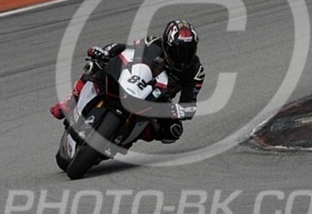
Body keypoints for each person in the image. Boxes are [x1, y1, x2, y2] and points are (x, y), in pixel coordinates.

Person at [50, 20, 205, 144]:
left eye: (189, 51)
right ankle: (71, 100)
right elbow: (125, 49)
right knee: (95, 64)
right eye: (179, 51)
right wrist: (106, 53)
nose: (183, 58)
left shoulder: (196, 71)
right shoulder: (152, 43)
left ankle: (127, 138)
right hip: (134, 81)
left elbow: (189, 104)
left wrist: (178, 110)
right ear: (167, 45)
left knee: (173, 131)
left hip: (158, 100)